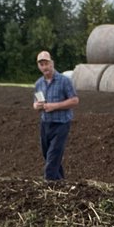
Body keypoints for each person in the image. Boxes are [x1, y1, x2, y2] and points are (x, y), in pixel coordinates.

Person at [32, 49, 78, 181]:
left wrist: (54, 106)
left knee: (52, 158)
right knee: (49, 156)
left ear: (52, 63)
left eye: (46, 63)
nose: (44, 67)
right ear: (39, 66)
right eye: (41, 64)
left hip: (61, 124)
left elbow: (74, 100)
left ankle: (49, 184)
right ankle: (61, 183)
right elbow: (35, 103)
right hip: (45, 124)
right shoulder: (39, 83)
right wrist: (37, 106)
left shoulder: (64, 81)